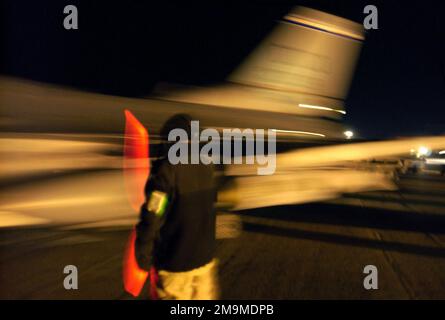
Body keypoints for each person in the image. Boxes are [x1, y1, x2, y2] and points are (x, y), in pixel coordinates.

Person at [135, 114, 219, 300]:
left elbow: (153, 215)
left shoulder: (167, 171)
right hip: (204, 260)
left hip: (175, 264)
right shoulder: (208, 165)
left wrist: (143, 257)